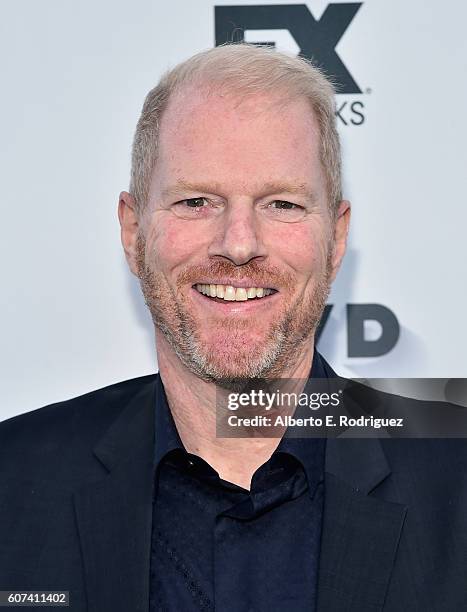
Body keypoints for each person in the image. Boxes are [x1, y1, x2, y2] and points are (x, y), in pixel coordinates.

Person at [0, 44, 466, 612]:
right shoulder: (12, 483)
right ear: (132, 230)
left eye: (282, 204)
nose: (239, 244)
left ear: (336, 237)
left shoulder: (456, 476)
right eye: (197, 201)